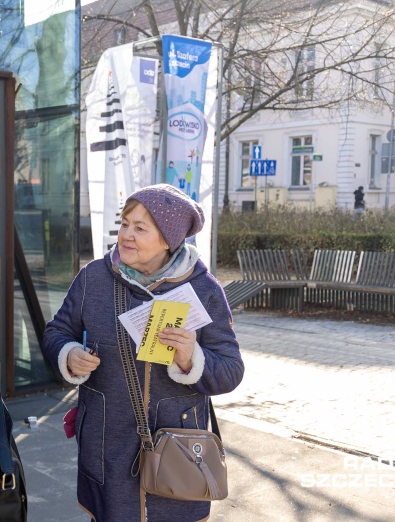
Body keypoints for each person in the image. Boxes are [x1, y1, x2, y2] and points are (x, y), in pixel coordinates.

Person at [42, 183, 244, 522]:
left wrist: (190, 358)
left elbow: (231, 370)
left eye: (140, 227)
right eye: (124, 224)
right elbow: (56, 332)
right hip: (107, 444)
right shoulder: (94, 278)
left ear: (168, 239)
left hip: (178, 453)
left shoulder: (204, 289)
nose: (126, 235)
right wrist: (69, 353)